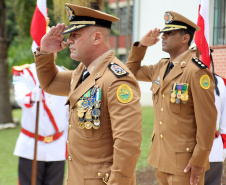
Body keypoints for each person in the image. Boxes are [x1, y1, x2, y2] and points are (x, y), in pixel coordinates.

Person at [34, 4, 142, 185]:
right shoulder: (83, 72)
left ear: (96, 38)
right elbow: (50, 83)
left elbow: (128, 143)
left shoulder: (117, 79)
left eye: (75, 35)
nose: (69, 41)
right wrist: (45, 51)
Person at [126, 11, 217, 185]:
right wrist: (142, 46)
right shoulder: (160, 67)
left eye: (170, 33)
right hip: (161, 159)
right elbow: (131, 71)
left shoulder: (196, 72)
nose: (163, 36)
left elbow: (207, 121)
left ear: (185, 38)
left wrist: (199, 161)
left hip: (186, 163)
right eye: (164, 32)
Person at [12, 59, 69, 185]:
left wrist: (68, 141)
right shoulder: (25, 73)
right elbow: (21, 98)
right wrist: (31, 96)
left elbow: (68, 114)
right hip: (31, 146)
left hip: (57, 146)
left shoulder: (65, 74)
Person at [190, 44, 226, 185]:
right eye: (195, 54)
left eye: (204, 54)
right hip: (186, 149)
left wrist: (223, 148)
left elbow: (225, 120)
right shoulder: (181, 80)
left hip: (213, 149)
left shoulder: (221, 83)